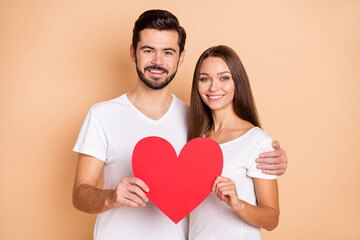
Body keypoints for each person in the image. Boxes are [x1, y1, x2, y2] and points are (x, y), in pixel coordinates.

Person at [72, 10, 287, 240]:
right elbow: (79, 193)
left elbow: (235, 148)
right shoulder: (102, 115)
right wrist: (110, 197)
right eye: (148, 50)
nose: (157, 61)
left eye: (168, 52)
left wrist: (272, 156)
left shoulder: (195, 120)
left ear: (180, 57)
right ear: (133, 53)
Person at [188, 45, 280, 240]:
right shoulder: (197, 139)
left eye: (224, 78)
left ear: (237, 81)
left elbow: (272, 219)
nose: (213, 87)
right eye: (205, 79)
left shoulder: (256, 141)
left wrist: (238, 204)